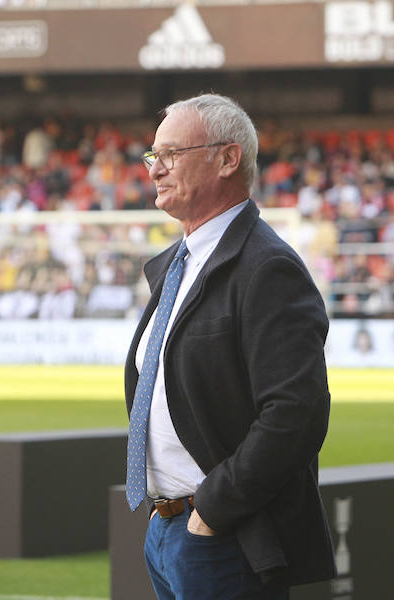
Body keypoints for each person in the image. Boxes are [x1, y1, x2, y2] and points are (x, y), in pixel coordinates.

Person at [124, 94, 335, 600]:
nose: (156, 169)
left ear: (227, 158)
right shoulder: (175, 263)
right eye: (154, 156)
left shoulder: (266, 268)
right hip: (167, 526)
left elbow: (296, 412)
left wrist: (212, 511)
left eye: (172, 153)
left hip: (223, 536)